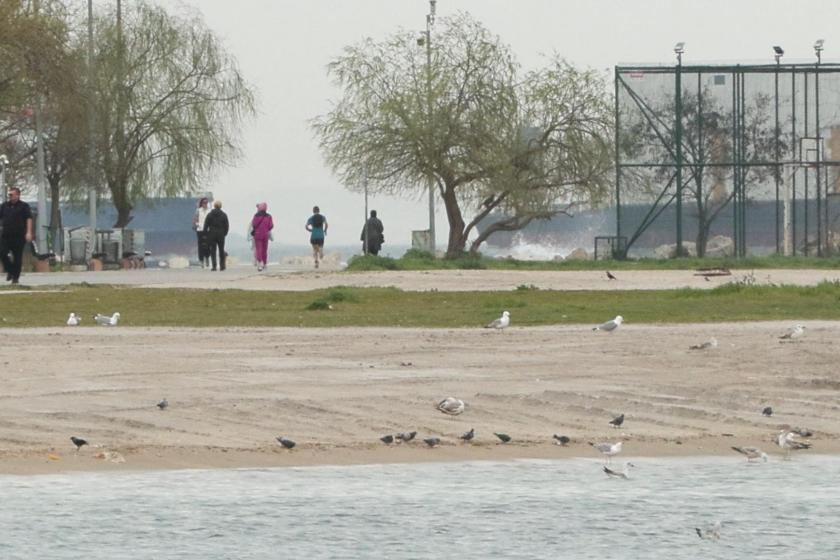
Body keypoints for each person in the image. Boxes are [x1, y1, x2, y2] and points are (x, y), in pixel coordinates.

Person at [0, 187, 33, 285]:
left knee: (17, 257)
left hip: (19, 236)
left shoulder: (24, 206)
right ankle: (10, 270)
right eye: (9, 195)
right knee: (2, 253)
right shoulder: (4, 206)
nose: (9, 196)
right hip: (6, 235)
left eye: (11, 194)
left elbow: (29, 219)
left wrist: (29, 232)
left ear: (17, 195)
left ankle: (15, 278)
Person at [203, 200, 229, 271]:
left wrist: (205, 234)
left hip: (212, 234)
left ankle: (214, 266)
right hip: (221, 234)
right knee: (221, 250)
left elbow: (206, 225)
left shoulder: (210, 215)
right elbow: (226, 226)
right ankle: (222, 266)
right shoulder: (224, 215)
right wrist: (224, 233)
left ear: (214, 206)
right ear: (220, 206)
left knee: (213, 250)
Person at [249, 202, 274, 271]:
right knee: (264, 249)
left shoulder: (256, 216)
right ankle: (265, 264)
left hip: (257, 234)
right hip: (265, 234)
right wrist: (266, 229)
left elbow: (253, 225)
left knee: (259, 249)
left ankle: (260, 263)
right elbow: (271, 226)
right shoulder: (269, 216)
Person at [192, 197, 211, 268]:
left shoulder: (210, 211)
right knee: (200, 246)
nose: (205, 204)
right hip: (200, 230)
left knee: (208, 245)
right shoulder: (198, 211)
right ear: (201, 203)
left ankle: (207, 257)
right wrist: (196, 225)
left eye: (206, 202)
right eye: (204, 202)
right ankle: (201, 260)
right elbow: (195, 219)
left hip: (208, 230)